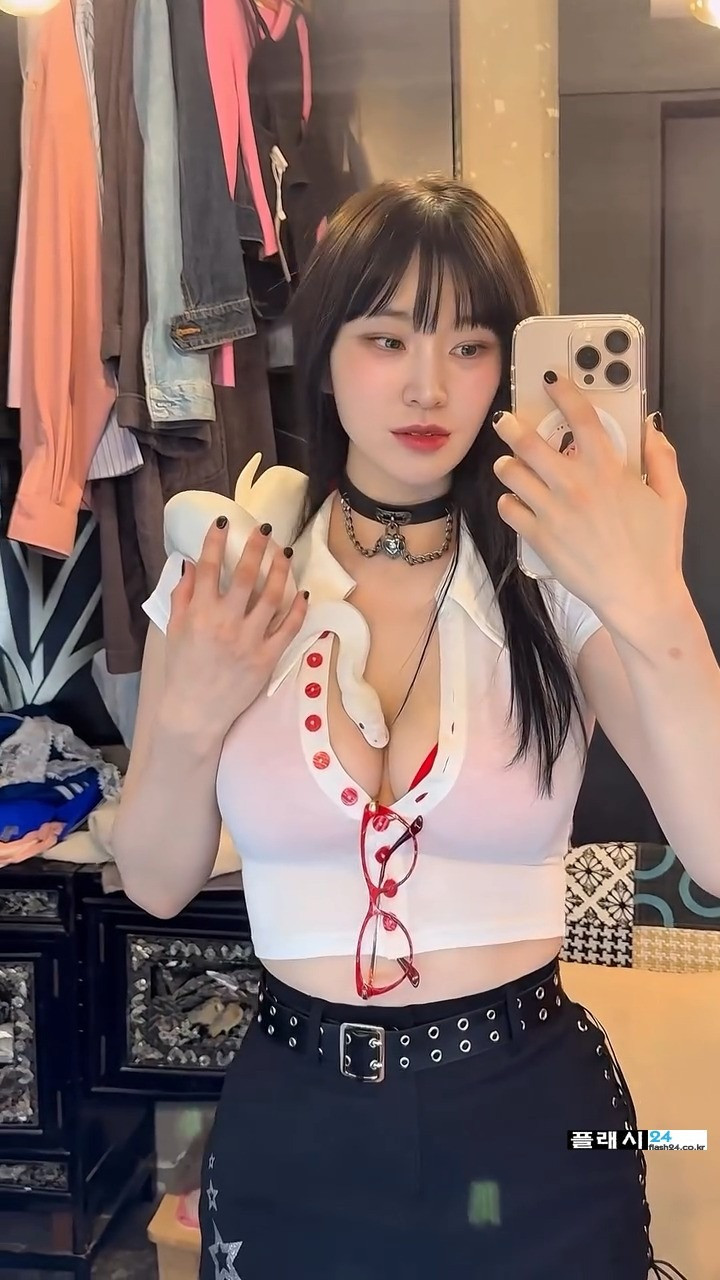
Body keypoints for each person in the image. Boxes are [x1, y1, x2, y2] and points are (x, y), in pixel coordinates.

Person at [111, 176, 718, 1279]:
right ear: (326, 352)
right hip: (295, 1124)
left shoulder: (556, 575)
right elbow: (153, 880)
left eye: (470, 345)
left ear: (508, 365)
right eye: (387, 339)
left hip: (530, 1124)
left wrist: (652, 598)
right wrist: (195, 714)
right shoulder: (232, 573)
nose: (428, 384)